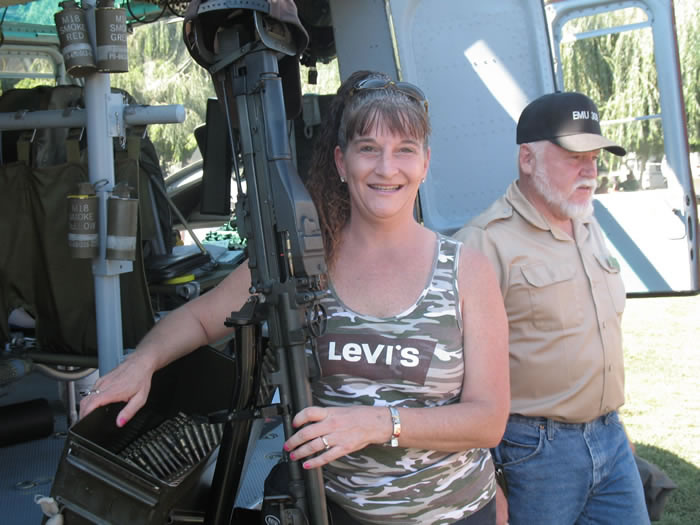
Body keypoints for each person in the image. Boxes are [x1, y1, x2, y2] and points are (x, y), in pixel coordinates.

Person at [81, 70, 510, 525]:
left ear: (424, 163)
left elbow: (487, 420)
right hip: (337, 513)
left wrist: (377, 423)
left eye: (404, 150)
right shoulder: (300, 260)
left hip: (455, 513)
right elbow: (201, 318)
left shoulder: (466, 271)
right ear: (342, 162)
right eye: (368, 149)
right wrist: (142, 363)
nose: (387, 168)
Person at [454, 91, 650, 525]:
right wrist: (485, 482)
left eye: (594, 157)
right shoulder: (484, 242)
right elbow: (453, 379)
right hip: (534, 453)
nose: (590, 170)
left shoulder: (587, 223)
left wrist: (611, 429)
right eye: (574, 157)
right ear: (527, 159)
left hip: (610, 439)